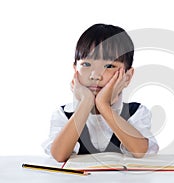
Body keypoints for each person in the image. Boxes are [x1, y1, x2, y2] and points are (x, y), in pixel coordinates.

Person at [42, 24, 159, 162]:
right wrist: (86, 102)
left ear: (127, 77)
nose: (95, 75)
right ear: (75, 71)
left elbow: (140, 151)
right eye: (86, 65)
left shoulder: (136, 112)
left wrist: (103, 105)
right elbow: (59, 155)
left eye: (109, 66)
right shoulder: (64, 114)